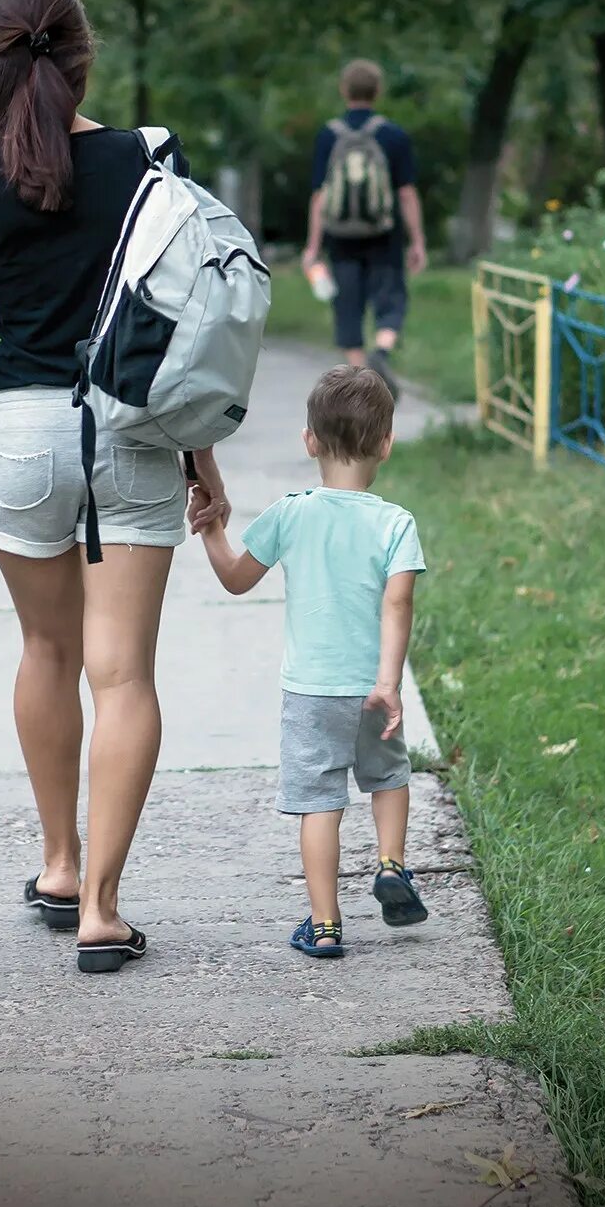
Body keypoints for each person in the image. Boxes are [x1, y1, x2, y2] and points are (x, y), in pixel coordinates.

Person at [0, 0, 231, 974]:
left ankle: (57, 863)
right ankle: (101, 908)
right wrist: (202, 458)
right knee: (123, 672)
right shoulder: (148, 160)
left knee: (45, 654)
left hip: (21, 436)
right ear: (84, 54)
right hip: (132, 432)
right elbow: (188, 325)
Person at [194, 365, 429, 958]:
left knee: (320, 802)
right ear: (386, 443)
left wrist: (212, 530)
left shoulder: (290, 512)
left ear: (309, 442)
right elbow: (398, 601)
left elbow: (235, 580)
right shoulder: (395, 523)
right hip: (372, 689)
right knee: (389, 775)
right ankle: (391, 863)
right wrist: (389, 682)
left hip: (311, 693)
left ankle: (325, 925)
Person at [301, 59, 428, 397]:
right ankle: (381, 352)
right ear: (378, 91)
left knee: (347, 307)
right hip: (384, 237)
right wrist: (417, 241)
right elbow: (406, 193)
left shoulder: (329, 136)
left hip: (340, 239)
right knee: (391, 300)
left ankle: (363, 381)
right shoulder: (393, 135)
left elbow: (319, 196)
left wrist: (313, 247)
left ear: (344, 90)